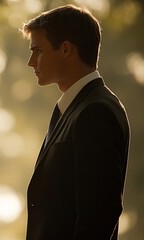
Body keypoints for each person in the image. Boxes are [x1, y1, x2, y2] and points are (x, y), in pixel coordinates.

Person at [21, 5, 130, 240]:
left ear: (66, 49)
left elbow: (99, 214)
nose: (31, 61)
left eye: (37, 50)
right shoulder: (75, 108)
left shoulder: (96, 111)